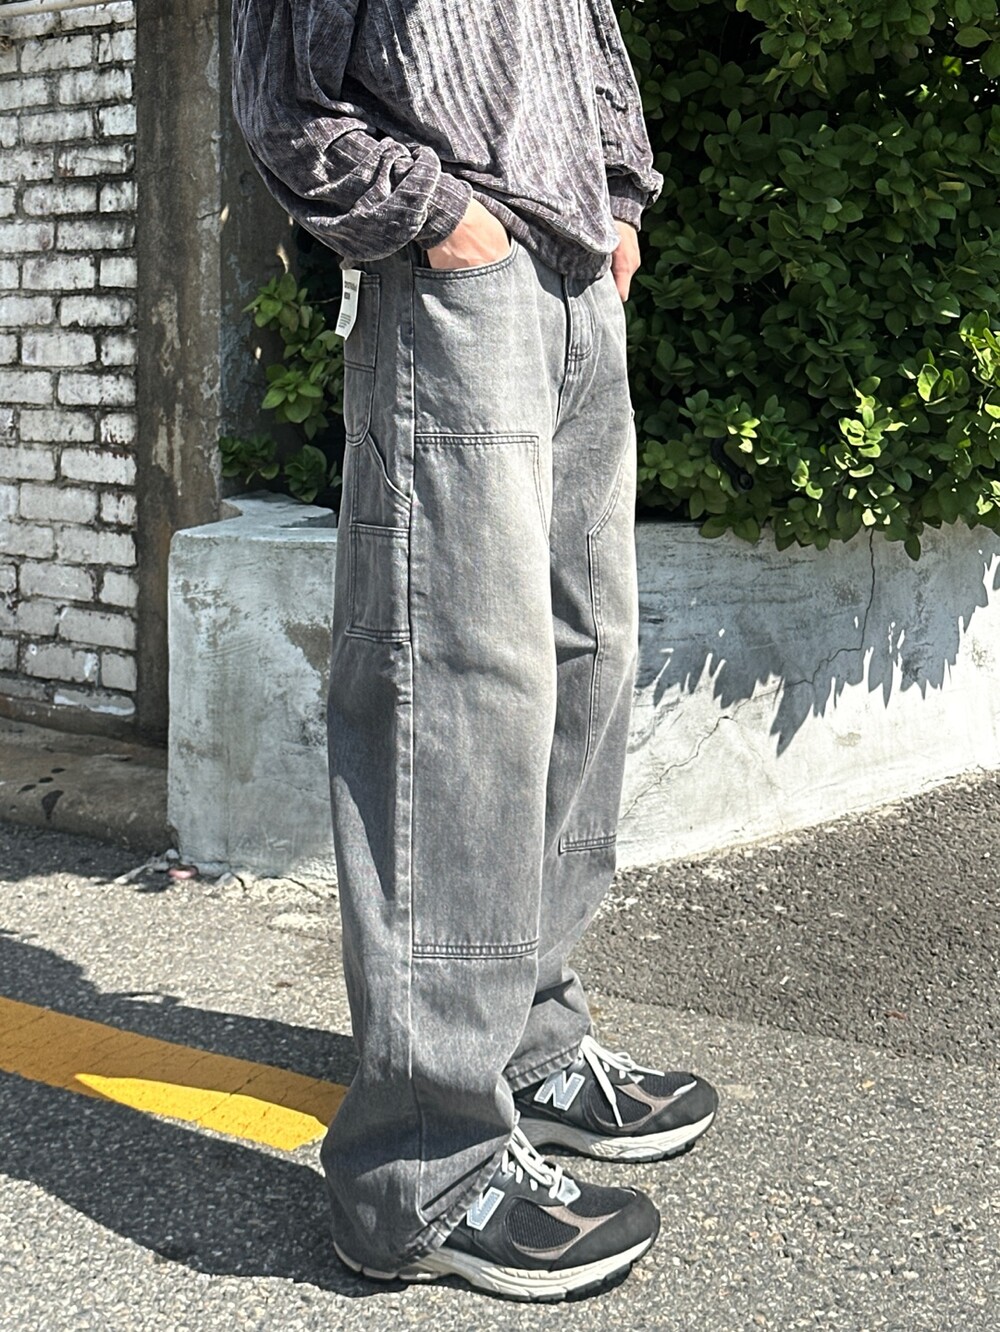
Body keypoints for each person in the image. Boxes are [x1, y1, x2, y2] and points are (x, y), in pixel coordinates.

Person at [231, 0, 719, 1302]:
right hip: (458, 283)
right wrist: (441, 220)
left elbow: (586, 40)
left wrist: (618, 203)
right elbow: (287, 100)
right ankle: (423, 1166)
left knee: (584, 663)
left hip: (573, 282)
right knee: (454, 693)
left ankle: (531, 1043)